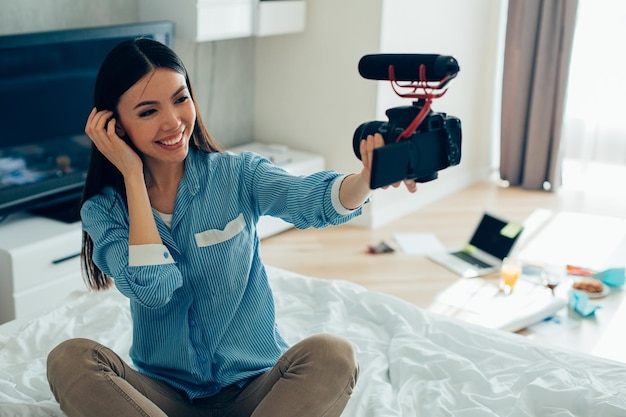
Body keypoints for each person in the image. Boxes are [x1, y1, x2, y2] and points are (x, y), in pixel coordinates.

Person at [46, 38, 416, 417]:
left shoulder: (237, 175)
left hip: (257, 389)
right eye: (147, 111)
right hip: (167, 398)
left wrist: (366, 179)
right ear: (115, 127)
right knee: (69, 359)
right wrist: (132, 177)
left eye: (180, 98)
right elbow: (153, 289)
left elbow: (310, 200)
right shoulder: (104, 210)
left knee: (333, 355)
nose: (173, 122)